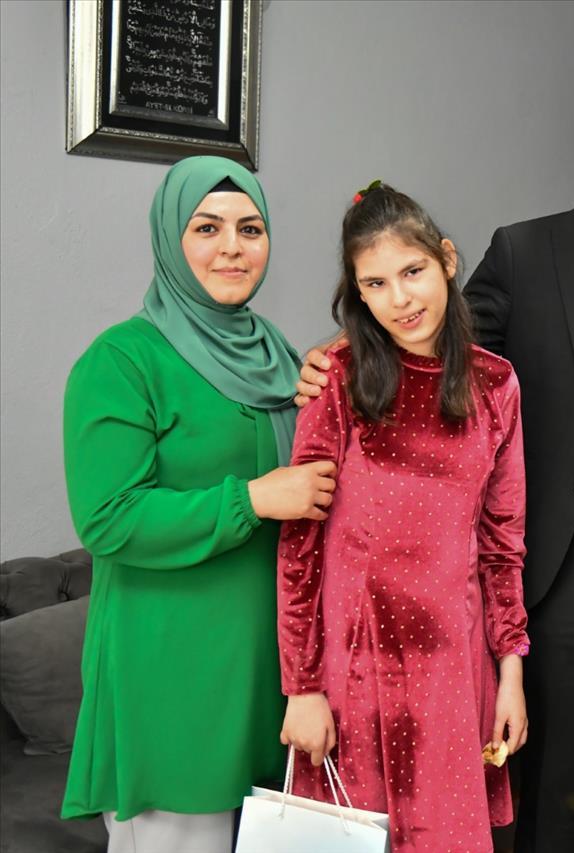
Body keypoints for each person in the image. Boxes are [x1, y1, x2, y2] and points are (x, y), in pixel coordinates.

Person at [296, 50, 574, 851]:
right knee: (550, 786)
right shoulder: (524, 251)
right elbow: (432, 341)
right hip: (558, 561)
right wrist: (338, 354)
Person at [61, 156, 334, 853]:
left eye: (250, 229)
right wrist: (252, 499)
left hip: (271, 671)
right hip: (173, 674)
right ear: (169, 237)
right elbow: (109, 518)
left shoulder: (277, 356)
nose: (232, 248)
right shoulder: (123, 360)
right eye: (207, 228)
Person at [277, 183, 529, 853]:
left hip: (455, 670)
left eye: (413, 271)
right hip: (355, 675)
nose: (400, 298)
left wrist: (510, 673)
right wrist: (302, 687)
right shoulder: (337, 377)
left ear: (446, 259)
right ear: (358, 294)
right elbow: (300, 548)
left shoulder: (495, 385)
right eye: (376, 283)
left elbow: (502, 543)